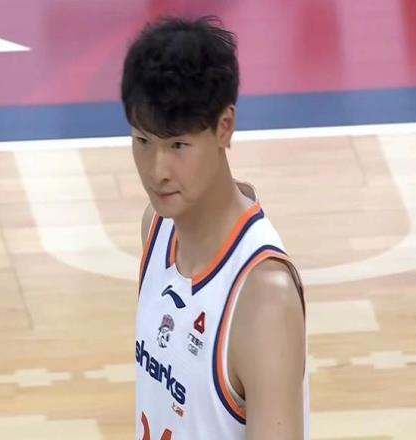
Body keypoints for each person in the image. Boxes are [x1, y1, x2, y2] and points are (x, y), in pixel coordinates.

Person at [120, 15, 310, 440]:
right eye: (143, 141)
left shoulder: (264, 298)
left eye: (178, 145)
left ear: (225, 127)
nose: (157, 171)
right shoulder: (157, 229)